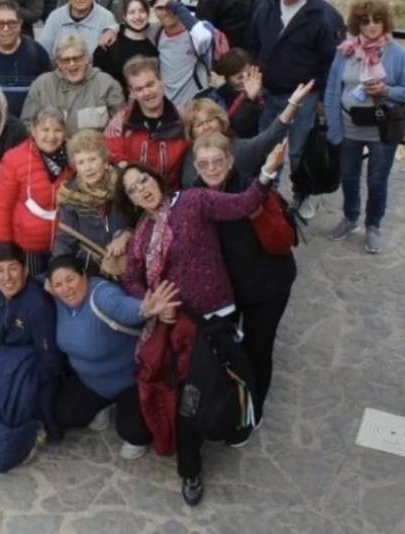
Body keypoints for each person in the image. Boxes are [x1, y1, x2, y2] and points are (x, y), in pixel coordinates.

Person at [119, 140, 288, 507]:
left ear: (156, 179)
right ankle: (190, 471)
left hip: (217, 317)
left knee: (231, 376)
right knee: (189, 395)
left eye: (143, 180)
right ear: (130, 200)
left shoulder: (193, 201)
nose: (141, 189)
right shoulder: (141, 238)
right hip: (179, 328)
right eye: (132, 189)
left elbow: (243, 204)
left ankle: (235, 424)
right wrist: (151, 304)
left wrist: (267, 172)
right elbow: (132, 280)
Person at [188, 132, 297, 425]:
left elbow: (282, 241)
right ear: (196, 167)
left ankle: (253, 410)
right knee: (226, 349)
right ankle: (231, 401)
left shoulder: (255, 190)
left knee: (258, 348)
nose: (211, 168)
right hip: (228, 291)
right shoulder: (193, 199)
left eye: (218, 161)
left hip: (267, 286)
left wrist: (258, 212)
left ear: (230, 160)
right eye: (204, 163)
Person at [49, 254, 178, 459]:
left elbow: (121, 307)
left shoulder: (100, 293)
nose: (66, 288)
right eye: (58, 284)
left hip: (128, 381)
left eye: (70, 279)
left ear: (84, 275)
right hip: (91, 382)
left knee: (134, 432)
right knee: (63, 414)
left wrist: (144, 309)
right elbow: (36, 281)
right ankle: (105, 405)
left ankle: (129, 415)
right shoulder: (58, 299)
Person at [249, 0, 345, 218]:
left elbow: (332, 62)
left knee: (301, 150)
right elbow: (254, 44)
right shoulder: (267, 6)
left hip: (305, 97)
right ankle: (268, 194)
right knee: (267, 146)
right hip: (271, 93)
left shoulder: (324, 15)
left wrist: (325, 98)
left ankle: (305, 194)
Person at [324, 0, 405, 254]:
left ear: (385, 23)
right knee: (348, 176)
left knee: (377, 180)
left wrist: (387, 90)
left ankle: (373, 226)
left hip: (382, 128)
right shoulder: (345, 51)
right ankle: (350, 217)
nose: (371, 26)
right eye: (365, 21)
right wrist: (332, 126)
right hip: (349, 126)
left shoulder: (396, 53)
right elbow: (332, 90)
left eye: (377, 20)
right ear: (356, 24)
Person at [0, 242, 64, 472]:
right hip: (6, 362)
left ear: (26, 270)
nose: (7, 277)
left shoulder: (38, 304)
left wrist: (29, 394)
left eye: (13, 268)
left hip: (32, 363)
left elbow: (50, 361)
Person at [178, 82, 312, 190]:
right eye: (199, 124)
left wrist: (293, 105)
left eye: (210, 120)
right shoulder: (188, 159)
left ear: (221, 121)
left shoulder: (238, 148)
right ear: (191, 132)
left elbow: (269, 137)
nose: (206, 127)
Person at [0, 107, 72, 274]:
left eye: (57, 130)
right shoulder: (14, 159)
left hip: (65, 243)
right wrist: (3, 251)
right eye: (45, 129)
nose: (51, 136)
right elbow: (2, 209)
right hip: (28, 247)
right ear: (33, 131)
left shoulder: (74, 157)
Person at [103, 57, 188, 189]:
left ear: (161, 81)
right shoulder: (119, 122)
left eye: (150, 85)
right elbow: (109, 150)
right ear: (131, 92)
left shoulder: (184, 118)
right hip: (134, 195)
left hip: (175, 193)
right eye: (139, 89)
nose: (147, 93)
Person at [52, 130, 133, 268]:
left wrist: (127, 235)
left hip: (130, 259)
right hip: (92, 266)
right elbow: (65, 241)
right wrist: (58, 269)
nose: (88, 168)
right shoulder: (71, 195)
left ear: (104, 158)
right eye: (81, 162)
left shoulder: (124, 183)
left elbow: (144, 219)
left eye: (92, 159)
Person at [22, 34, 125, 133]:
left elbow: (120, 126)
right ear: (58, 63)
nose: (72, 64)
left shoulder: (106, 84)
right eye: (66, 60)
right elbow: (27, 125)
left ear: (86, 58)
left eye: (77, 58)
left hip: (94, 149)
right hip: (51, 148)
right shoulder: (42, 85)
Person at [149, 0, 217, 107]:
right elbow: (132, 26)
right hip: (168, 107)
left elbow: (204, 37)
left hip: (196, 106)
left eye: (170, 7)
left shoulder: (197, 31)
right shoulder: (156, 32)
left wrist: (177, 7)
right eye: (160, 8)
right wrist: (112, 29)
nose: (166, 12)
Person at [40, 0, 118, 59]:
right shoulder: (55, 17)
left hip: (93, 71)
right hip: (59, 70)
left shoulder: (106, 17)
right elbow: (43, 51)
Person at [93, 0, 159, 96]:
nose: (137, 17)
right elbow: (98, 80)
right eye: (132, 12)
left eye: (142, 11)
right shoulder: (110, 43)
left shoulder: (153, 44)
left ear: (148, 13)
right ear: (124, 16)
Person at [196, 48, 264, 138]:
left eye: (249, 75)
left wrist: (250, 98)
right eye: (239, 77)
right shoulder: (206, 98)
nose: (245, 80)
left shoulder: (257, 97)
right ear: (226, 78)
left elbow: (241, 125)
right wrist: (225, 90)